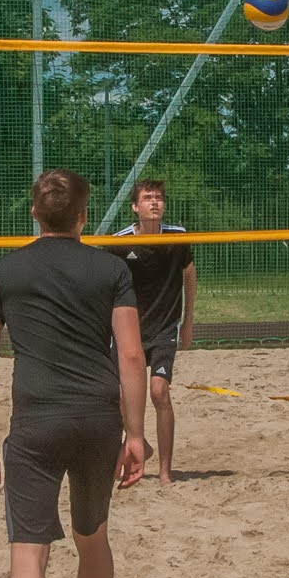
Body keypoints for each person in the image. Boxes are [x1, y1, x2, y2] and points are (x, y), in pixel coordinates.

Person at [0, 169, 148, 578]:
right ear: (84, 216)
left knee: (29, 552)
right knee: (92, 537)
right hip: (97, 417)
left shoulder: (6, 270)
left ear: (33, 214)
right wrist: (137, 434)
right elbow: (133, 357)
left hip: (37, 420)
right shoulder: (111, 268)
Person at [109, 179, 196, 484]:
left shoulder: (178, 236)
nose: (154, 202)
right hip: (130, 329)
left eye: (158, 198)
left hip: (165, 326)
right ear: (135, 207)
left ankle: (165, 470)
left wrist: (188, 321)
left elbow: (189, 275)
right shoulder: (120, 242)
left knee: (159, 391)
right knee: (120, 398)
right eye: (147, 198)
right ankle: (139, 443)